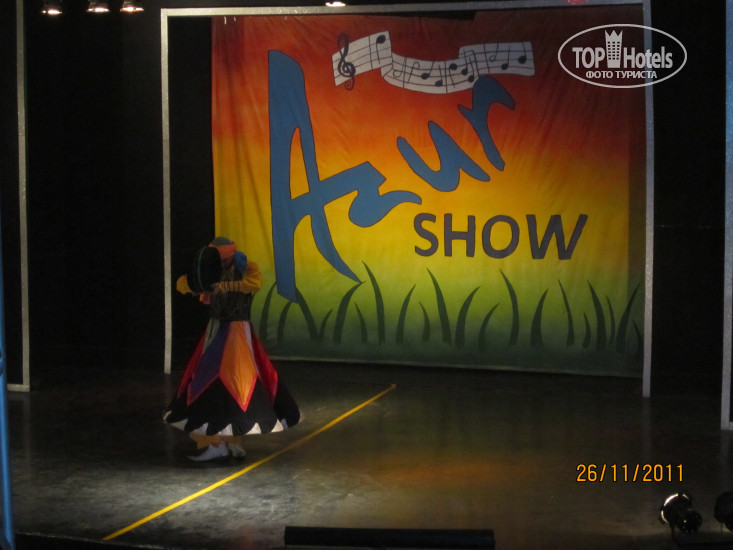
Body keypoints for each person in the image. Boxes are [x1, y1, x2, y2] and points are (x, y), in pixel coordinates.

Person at [163, 237, 302, 461]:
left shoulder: (246, 269)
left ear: (230, 257)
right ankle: (219, 443)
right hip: (217, 330)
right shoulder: (210, 270)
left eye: (223, 260)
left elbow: (254, 284)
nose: (220, 264)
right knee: (214, 388)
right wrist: (197, 285)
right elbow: (182, 284)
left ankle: (228, 443)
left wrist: (224, 287)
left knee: (232, 389)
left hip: (237, 333)